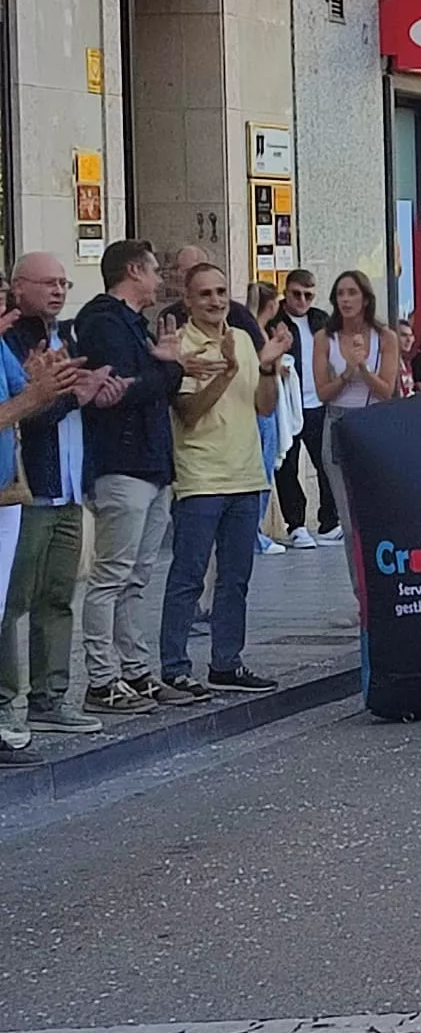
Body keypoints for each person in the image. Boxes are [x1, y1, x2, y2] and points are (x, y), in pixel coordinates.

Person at [0, 255, 122, 757]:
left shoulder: (65, 337)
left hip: (70, 486)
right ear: (20, 288)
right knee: (13, 601)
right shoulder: (13, 340)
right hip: (30, 490)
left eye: (62, 282)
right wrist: (72, 393)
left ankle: (51, 696)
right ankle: (11, 702)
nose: (57, 290)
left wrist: (91, 392)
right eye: (46, 283)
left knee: (57, 596)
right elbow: (29, 411)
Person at [74, 240, 199, 712]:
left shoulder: (134, 323)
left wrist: (165, 368)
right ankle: (101, 679)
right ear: (132, 271)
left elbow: (141, 383)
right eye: (153, 269)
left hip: (151, 463)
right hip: (121, 463)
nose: (160, 278)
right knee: (110, 576)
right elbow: (117, 389)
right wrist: (170, 370)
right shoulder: (104, 321)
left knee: (136, 577)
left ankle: (136, 671)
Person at [159, 264, 290, 698]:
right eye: (204, 295)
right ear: (188, 301)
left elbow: (264, 408)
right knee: (188, 576)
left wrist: (267, 368)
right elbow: (189, 412)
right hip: (201, 477)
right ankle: (175, 668)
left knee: (235, 579)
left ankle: (226, 663)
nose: (215, 301)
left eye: (220, 292)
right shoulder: (182, 346)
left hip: (246, 473)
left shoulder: (243, 339)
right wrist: (227, 373)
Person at [313, 270, 400, 598]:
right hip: (338, 422)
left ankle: (386, 587)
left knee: (378, 514)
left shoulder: (385, 337)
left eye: (352, 293)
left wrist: (363, 367)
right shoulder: (326, 338)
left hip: (373, 421)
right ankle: (361, 594)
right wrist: (348, 372)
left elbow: (386, 390)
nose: (346, 300)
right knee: (349, 522)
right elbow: (323, 392)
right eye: (340, 294)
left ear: (365, 298)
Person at [273, 269, 337, 549]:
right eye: (296, 294)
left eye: (308, 295)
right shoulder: (275, 321)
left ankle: (329, 523)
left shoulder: (321, 320)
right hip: (288, 404)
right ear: (286, 292)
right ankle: (296, 525)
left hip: (319, 403)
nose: (302, 300)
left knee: (327, 464)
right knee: (288, 466)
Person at [249, 283, 298, 556]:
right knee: (263, 472)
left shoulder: (254, 330)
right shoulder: (259, 333)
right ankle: (255, 533)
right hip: (263, 408)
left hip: (264, 406)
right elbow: (269, 367)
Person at [394, 319, 417, 399]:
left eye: (411, 335)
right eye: (403, 335)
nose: (409, 340)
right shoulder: (389, 362)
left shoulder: (406, 363)